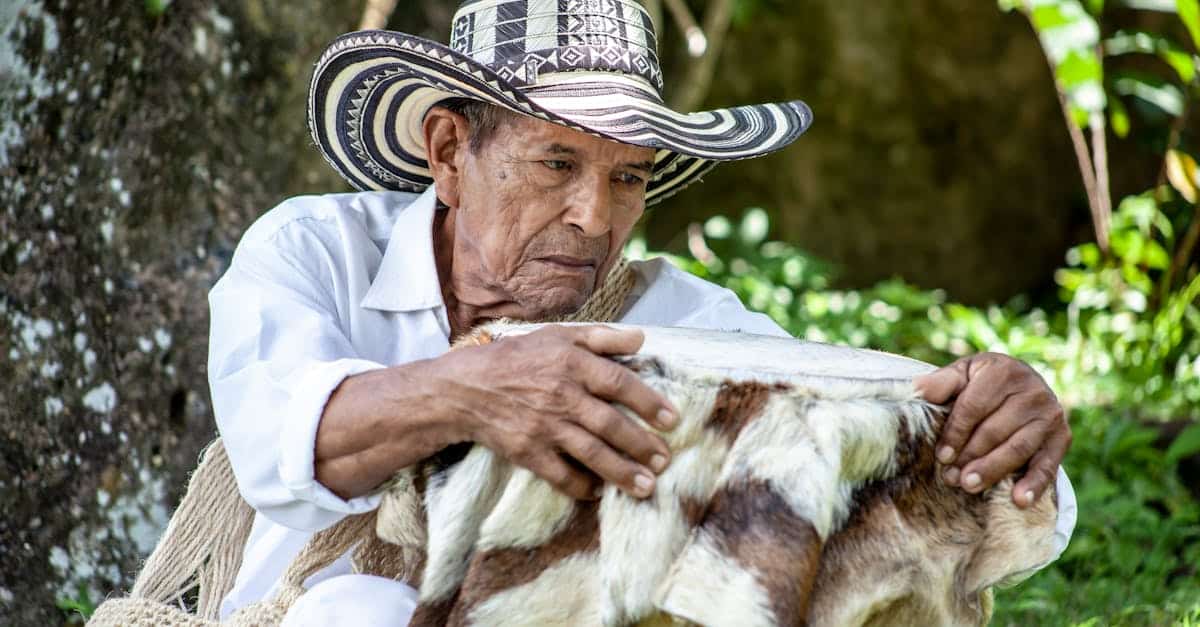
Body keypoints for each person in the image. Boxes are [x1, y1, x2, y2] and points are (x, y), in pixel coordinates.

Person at [207, 1, 1076, 624]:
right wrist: (477, 389)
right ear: (448, 152)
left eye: (629, 176)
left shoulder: (678, 315)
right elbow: (279, 443)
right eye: (556, 163)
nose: (596, 215)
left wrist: (1001, 423)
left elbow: (847, 423)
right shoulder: (312, 249)